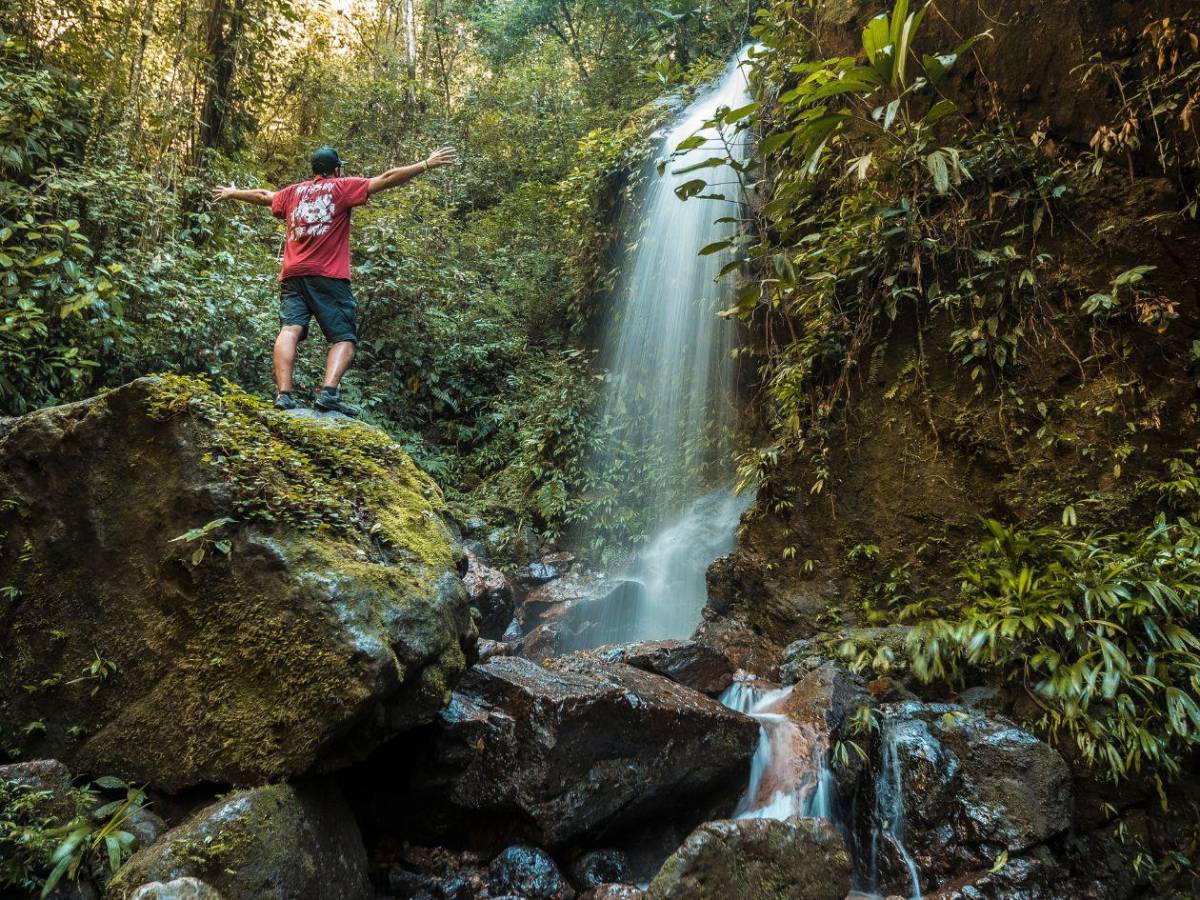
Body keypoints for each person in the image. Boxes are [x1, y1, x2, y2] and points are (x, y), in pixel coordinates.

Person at [212, 144, 457, 415]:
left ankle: (284, 395)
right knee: (344, 338)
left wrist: (233, 192)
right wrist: (426, 164)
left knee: (290, 329)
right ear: (336, 169)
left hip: (293, 274)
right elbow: (386, 178)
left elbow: (264, 195)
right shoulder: (341, 187)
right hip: (328, 274)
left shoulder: (293, 192)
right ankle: (328, 393)